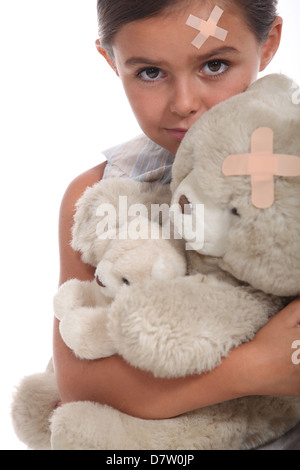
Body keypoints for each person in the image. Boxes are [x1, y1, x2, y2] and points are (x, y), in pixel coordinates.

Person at [53, 0, 300, 449]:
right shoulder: (98, 194)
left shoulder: (293, 179)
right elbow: (80, 385)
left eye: (215, 64)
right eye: (150, 72)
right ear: (111, 61)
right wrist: (257, 366)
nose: (185, 104)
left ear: (268, 44)